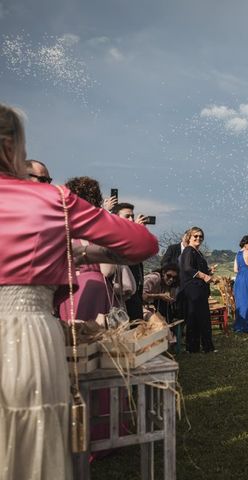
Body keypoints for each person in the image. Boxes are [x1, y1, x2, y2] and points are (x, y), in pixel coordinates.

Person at [0, 103, 158, 479]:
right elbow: (142, 243)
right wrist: (77, 245)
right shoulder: (52, 200)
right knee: (30, 453)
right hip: (24, 337)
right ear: (11, 148)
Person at [58, 176, 114, 323]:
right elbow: (107, 270)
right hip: (96, 288)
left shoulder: (61, 228)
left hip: (69, 290)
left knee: (73, 338)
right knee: (98, 338)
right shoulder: (100, 229)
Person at [180, 226, 216, 353]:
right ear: (189, 237)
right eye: (195, 236)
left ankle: (200, 347)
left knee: (200, 318)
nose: (198, 238)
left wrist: (209, 271)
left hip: (199, 290)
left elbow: (196, 268)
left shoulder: (197, 252)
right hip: (193, 290)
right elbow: (188, 269)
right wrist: (205, 276)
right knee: (196, 318)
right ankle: (196, 347)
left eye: (200, 236)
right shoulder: (189, 250)